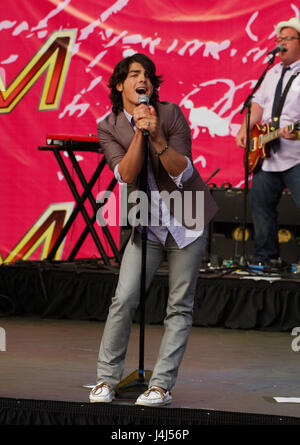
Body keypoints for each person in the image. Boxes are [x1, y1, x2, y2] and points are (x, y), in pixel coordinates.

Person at [89, 53, 217, 407]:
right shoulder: (109, 126)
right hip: (146, 224)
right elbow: (127, 175)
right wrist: (138, 134)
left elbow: (182, 171)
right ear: (120, 84)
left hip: (188, 221)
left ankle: (161, 385)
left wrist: (156, 134)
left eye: (146, 75)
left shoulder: (172, 113)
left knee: (179, 306)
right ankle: (105, 379)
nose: (142, 80)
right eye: (133, 74)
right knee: (124, 298)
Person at [236, 17, 300, 265]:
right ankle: (265, 260)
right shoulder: (272, 71)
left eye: (288, 39)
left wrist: (295, 132)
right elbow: (258, 104)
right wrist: (245, 127)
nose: (281, 43)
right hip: (267, 153)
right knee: (261, 210)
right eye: (279, 40)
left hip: (296, 155)